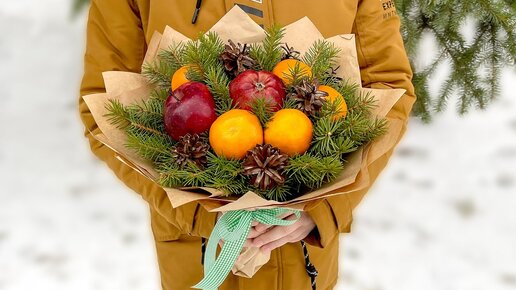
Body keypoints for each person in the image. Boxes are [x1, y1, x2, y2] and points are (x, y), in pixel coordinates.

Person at [79, 0, 416, 289]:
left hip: (300, 259)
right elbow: (106, 109)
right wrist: (202, 216)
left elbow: (387, 87)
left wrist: (324, 209)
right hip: (200, 254)